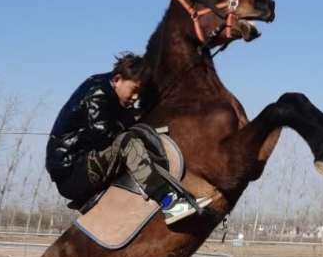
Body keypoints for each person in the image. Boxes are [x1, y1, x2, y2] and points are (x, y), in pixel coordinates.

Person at [45, 52, 211, 225]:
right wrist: (131, 117)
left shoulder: (110, 92)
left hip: (82, 164)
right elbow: (105, 136)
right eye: (133, 90)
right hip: (72, 174)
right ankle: (169, 204)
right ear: (117, 79)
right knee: (127, 141)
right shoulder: (98, 94)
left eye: (139, 93)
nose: (135, 98)